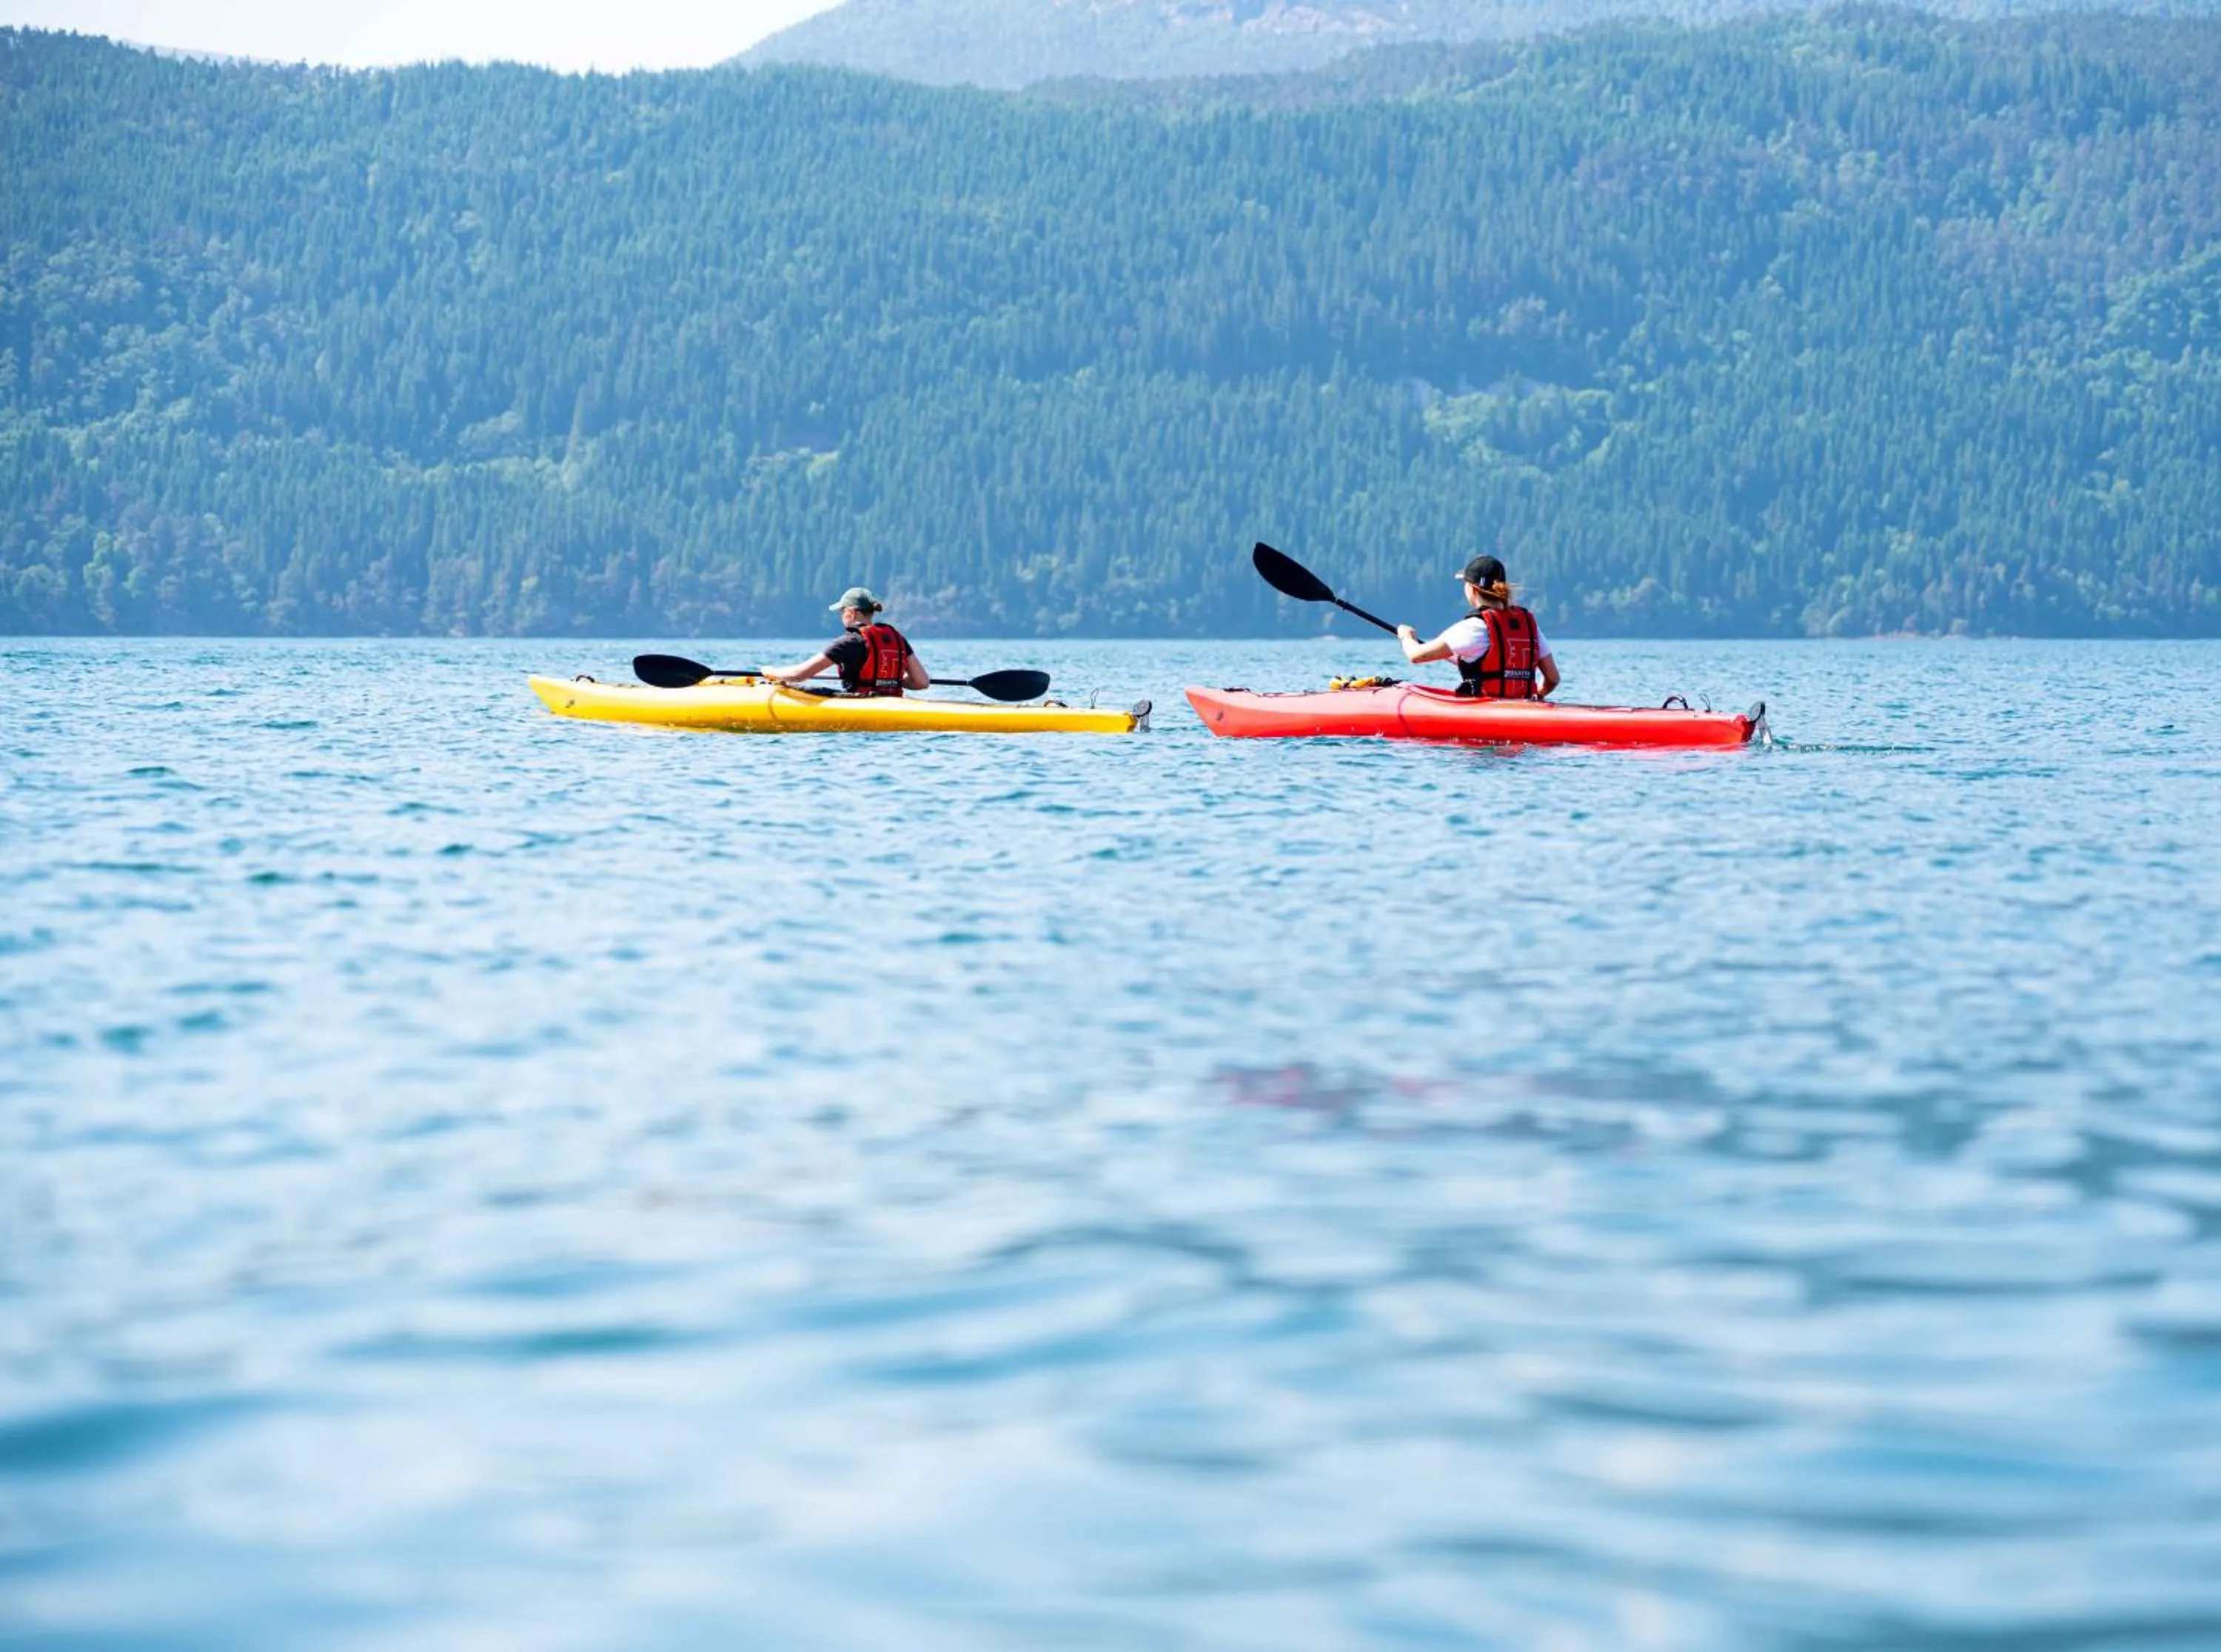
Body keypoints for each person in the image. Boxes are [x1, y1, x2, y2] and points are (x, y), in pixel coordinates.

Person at [1396, 554, 1561, 699]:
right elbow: (1552, 678)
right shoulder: (1529, 625)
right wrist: (1536, 697)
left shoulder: (1473, 627)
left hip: (1488, 713)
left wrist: (1406, 637)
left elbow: (1416, 655)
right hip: (1524, 711)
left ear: (1472, 589)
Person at [760, 586, 930, 696]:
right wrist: (893, 681)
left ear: (851, 612)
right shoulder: (897, 638)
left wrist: (771, 672)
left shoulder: (848, 642)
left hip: (861, 706)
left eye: (842, 612)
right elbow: (922, 682)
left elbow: (799, 675)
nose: (841, 617)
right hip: (895, 704)